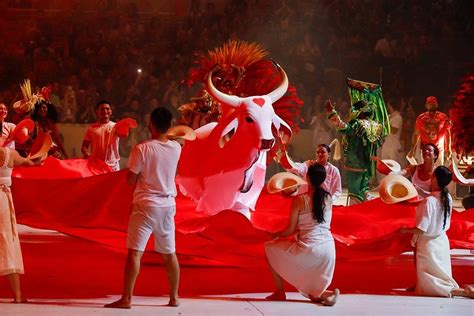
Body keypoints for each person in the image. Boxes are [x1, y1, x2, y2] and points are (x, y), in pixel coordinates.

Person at [105, 107, 182, 309]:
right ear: (169, 125)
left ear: (151, 124)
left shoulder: (142, 148)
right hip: (167, 206)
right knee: (169, 253)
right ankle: (174, 297)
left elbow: (131, 179)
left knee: (135, 253)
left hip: (145, 204)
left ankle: (127, 299)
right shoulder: (177, 148)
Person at [265, 163, 339, 306]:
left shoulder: (300, 200)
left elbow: (290, 230)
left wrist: (274, 235)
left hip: (310, 248)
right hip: (329, 250)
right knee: (313, 295)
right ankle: (328, 294)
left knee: (269, 248)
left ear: (307, 178)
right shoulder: (328, 198)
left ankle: (280, 292)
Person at [400, 166, 474, 298]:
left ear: (434, 179)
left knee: (432, 283)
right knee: (441, 276)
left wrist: (404, 229)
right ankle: (461, 290)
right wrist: (416, 191)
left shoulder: (429, 201)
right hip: (441, 242)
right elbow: (431, 199)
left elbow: (421, 229)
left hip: (428, 246)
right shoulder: (447, 198)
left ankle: (463, 292)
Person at [1, 147, 43, 303]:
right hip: (2, 201)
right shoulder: (9, 153)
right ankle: (17, 294)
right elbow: (29, 163)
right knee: (7, 244)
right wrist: (40, 156)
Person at [326, 99, 384, 204]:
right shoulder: (377, 125)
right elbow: (379, 143)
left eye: (353, 110)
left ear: (359, 111)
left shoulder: (358, 124)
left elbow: (344, 128)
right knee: (364, 190)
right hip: (368, 164)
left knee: (355, 192)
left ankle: (355, 214)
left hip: (355, 163)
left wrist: (332, 113)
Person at [408, 96, 451, 165]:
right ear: (426, 105)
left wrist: (448, 148)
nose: (431, 105)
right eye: (429, 103)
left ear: (437, 104)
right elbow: (417, 134)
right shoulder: (421, 118)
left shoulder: (443, 117)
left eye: (433, 103)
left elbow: (447, 133)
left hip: (439, 149)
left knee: (438, 171)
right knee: (425, 171)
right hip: (425, 149)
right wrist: (412, 149)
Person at [81, 101, 123, 171]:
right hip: (96, 166)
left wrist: (126, 125)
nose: (105, 111)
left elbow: (124, 135)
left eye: (107, 109)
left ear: (111, 111)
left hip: (113, 166)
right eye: (102, 109)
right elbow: (84, 146)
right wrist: (86, 154)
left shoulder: (116, 126)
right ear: (97, 112)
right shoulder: (91, 128)